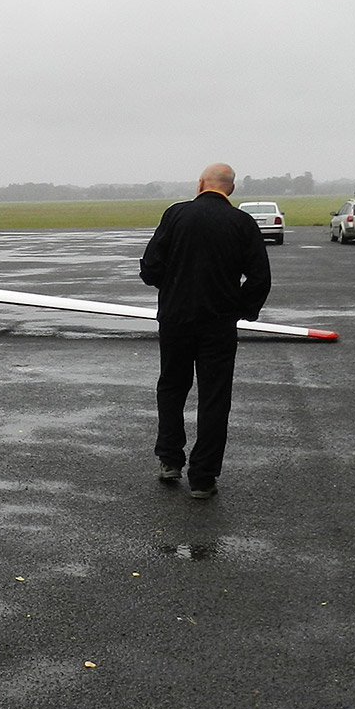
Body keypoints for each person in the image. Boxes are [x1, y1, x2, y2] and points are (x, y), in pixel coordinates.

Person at [139, 163, 271, 499]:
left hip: (176, 319)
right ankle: (203, 476)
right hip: (218, 323)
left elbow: (150, 266)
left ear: (200, 184)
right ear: (231, 189)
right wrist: (240, 309)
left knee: (172, 386)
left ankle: (170, 458)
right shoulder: (242, 223)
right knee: (214, 397)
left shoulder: (176, 215)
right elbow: (260, 278)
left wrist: (170, 287)